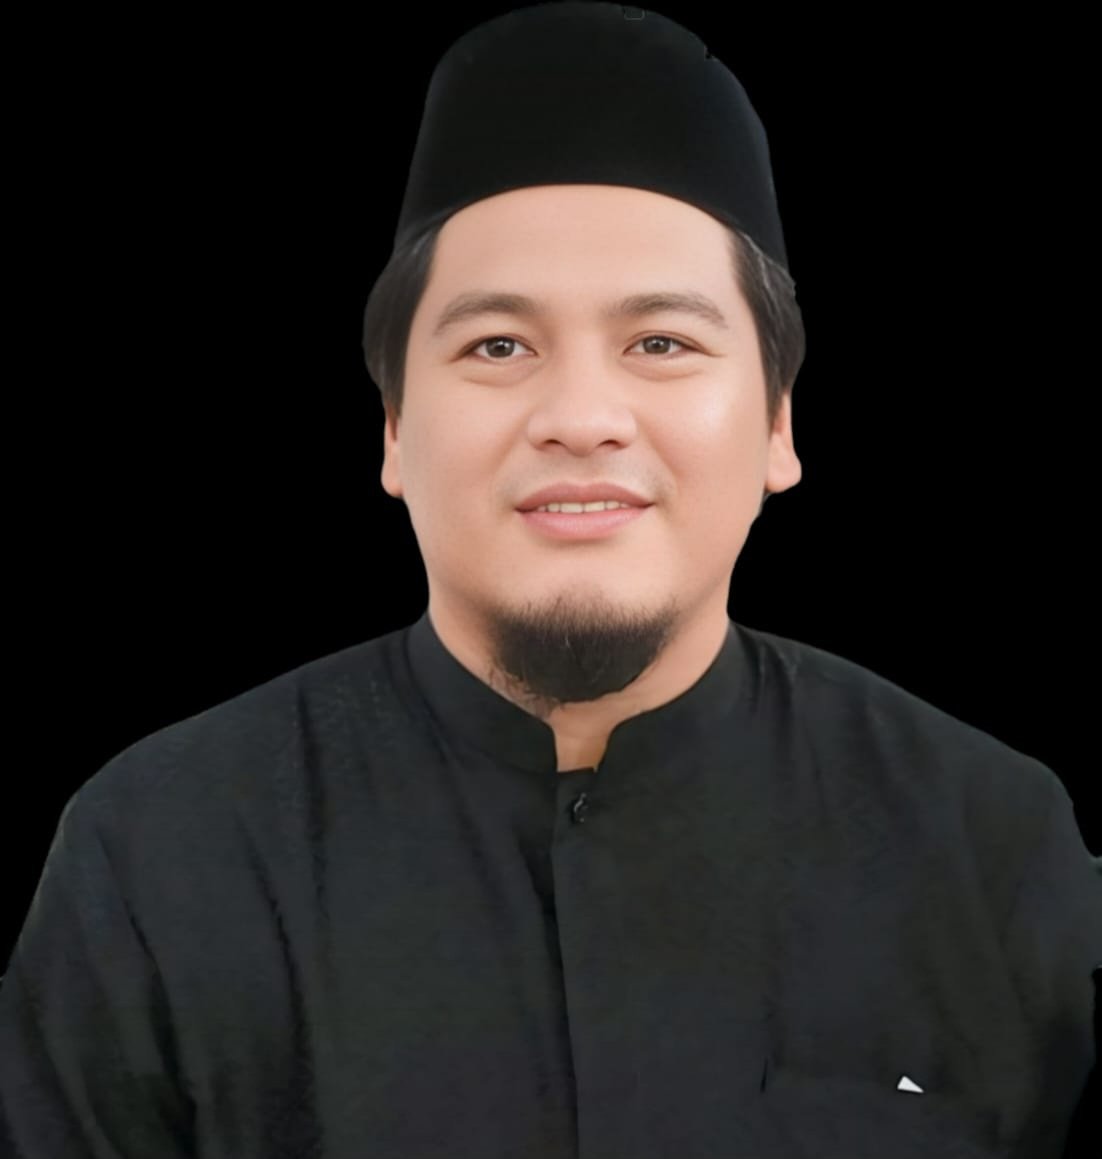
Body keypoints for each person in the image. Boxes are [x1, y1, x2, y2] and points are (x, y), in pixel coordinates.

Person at [2, 4, 1099, 1157]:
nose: (580, 417)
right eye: (498, 346)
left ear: (778, 424)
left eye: (661, 343)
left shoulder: (990, 845)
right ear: (393, 430)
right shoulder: (162, 849)